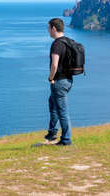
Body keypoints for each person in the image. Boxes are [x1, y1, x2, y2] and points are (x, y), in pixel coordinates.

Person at [43, 18, 73, 146]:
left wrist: (50, 78)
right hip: (68, 80)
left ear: (54, 28)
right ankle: (52, 132)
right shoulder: (69, 42)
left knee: (62, 111)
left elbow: (54, 65)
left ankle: (66, 140)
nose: (48, 31)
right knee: (53, 104)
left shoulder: (57, 44)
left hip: (59, 81)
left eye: (48, 28)